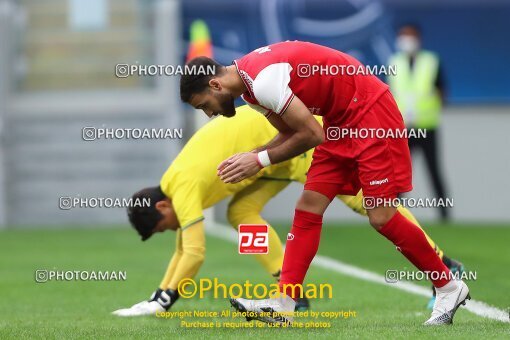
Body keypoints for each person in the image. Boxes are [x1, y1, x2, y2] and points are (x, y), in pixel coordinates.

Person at [179, 41, 470, 325]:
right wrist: (254, 154)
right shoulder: (250, 91)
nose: (209, 113)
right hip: (339, 120)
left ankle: (448, 286)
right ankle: (284, 302)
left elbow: (311, 135)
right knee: (308, 206)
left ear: (216, 86)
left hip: (369, 111)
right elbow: (292, 133)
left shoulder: (263, 81)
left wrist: (259, 161)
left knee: (381, 216)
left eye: (205, 105)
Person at [111, 105, 461, 316]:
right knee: (240, 214)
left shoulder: (181, 184)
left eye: (165, 226)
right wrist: (161, 293)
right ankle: (288, 287)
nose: (172, 230)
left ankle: (442, 263)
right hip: (267, 163)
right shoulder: (175, 183)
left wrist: (164, 298)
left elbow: (194, 251)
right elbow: (182, 249)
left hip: (289, 144)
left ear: (162, 206)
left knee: (369, 204)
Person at [388, 24, 450, 221]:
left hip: (427, 126)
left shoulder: (431, 61)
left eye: (410, 35)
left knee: (433, 170)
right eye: (403, 35)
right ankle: (396, 214)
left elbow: (442, 90)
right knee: (399, 172)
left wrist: (433, 108)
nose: (406, 40)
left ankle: (444, 215)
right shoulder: (394, 62)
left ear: (418, 38)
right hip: (403, 128)